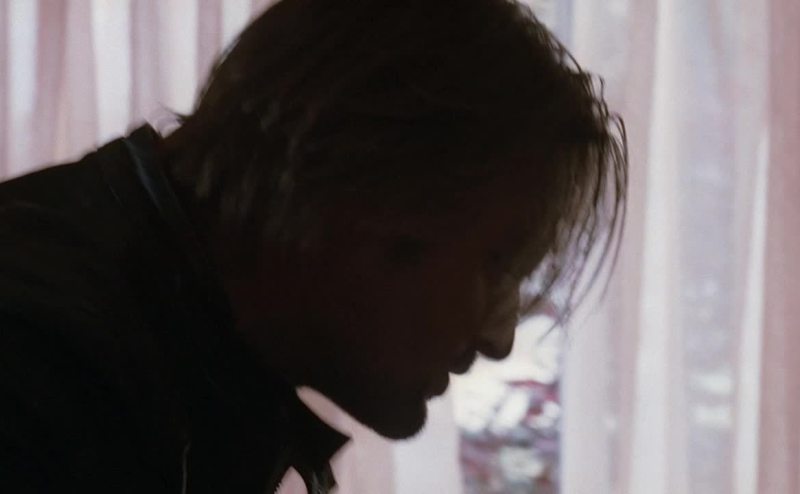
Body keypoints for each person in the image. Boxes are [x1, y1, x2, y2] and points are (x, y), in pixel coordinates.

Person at [0, 0, 626, 492]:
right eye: (496, 263)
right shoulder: (42, 369)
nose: (498, 339)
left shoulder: (165, 357)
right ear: (369, 192)